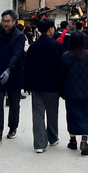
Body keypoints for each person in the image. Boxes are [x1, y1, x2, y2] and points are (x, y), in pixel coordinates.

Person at [24, 19, 64, 153]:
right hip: (53, 85)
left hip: (36, 84)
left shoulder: (33, 46)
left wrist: (28, 83)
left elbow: (27, 66)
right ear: (50, 29)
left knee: (38, 113)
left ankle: (40, 143)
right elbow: (61, 67)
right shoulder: (57, 46)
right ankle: (52, 137)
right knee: (52, 112)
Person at [59, 31, 88, 156]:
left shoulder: (65, 56)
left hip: (71, 92)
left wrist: (61, 91)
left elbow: (61, 75)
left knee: (72, 116)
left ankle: (73, 141)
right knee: (87, 116)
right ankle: (84, 140)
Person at [0, 10, 26, 145]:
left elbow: (17, 54)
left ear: (14, 21)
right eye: (3, 20)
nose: (5, 23)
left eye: (8, 21)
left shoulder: (19, 37)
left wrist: (9, 69)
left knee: (14, 103)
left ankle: (13, 127)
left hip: (14, 74)